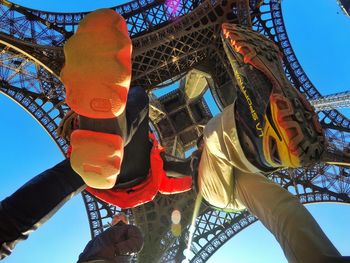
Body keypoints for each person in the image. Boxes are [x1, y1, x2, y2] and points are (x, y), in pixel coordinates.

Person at [0, 8, 349, 263]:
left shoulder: (159, 174)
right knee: (138, 106)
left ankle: (259, 143)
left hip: (116, 174)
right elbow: (185, 174)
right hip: (116, 175)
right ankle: (255, 144)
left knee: (141, 114)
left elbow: (189, 175)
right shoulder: (162, 174)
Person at [77, 212, 143, 263]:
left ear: (126, 221)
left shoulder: (129, 227)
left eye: (119, 215)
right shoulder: (103, 234)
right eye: (114, 216)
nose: (115, 216)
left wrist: (115, 250)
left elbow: (136, 242)